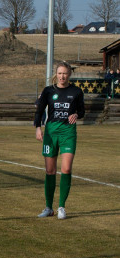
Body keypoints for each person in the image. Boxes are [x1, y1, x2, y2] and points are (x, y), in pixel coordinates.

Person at [34, 61, 85, 219]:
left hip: (68, 133)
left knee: (66, 169)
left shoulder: (76, 91)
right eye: (60, 73)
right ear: (56, 74)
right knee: (50, 171)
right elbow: (39, 111)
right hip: (50, 133)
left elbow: (82, 111)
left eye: (65, 73)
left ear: (69, 74)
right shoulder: (48, 91)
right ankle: (49, 207)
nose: (62, 76)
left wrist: (76, 114)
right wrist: (38, 128)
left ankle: (61, 206)